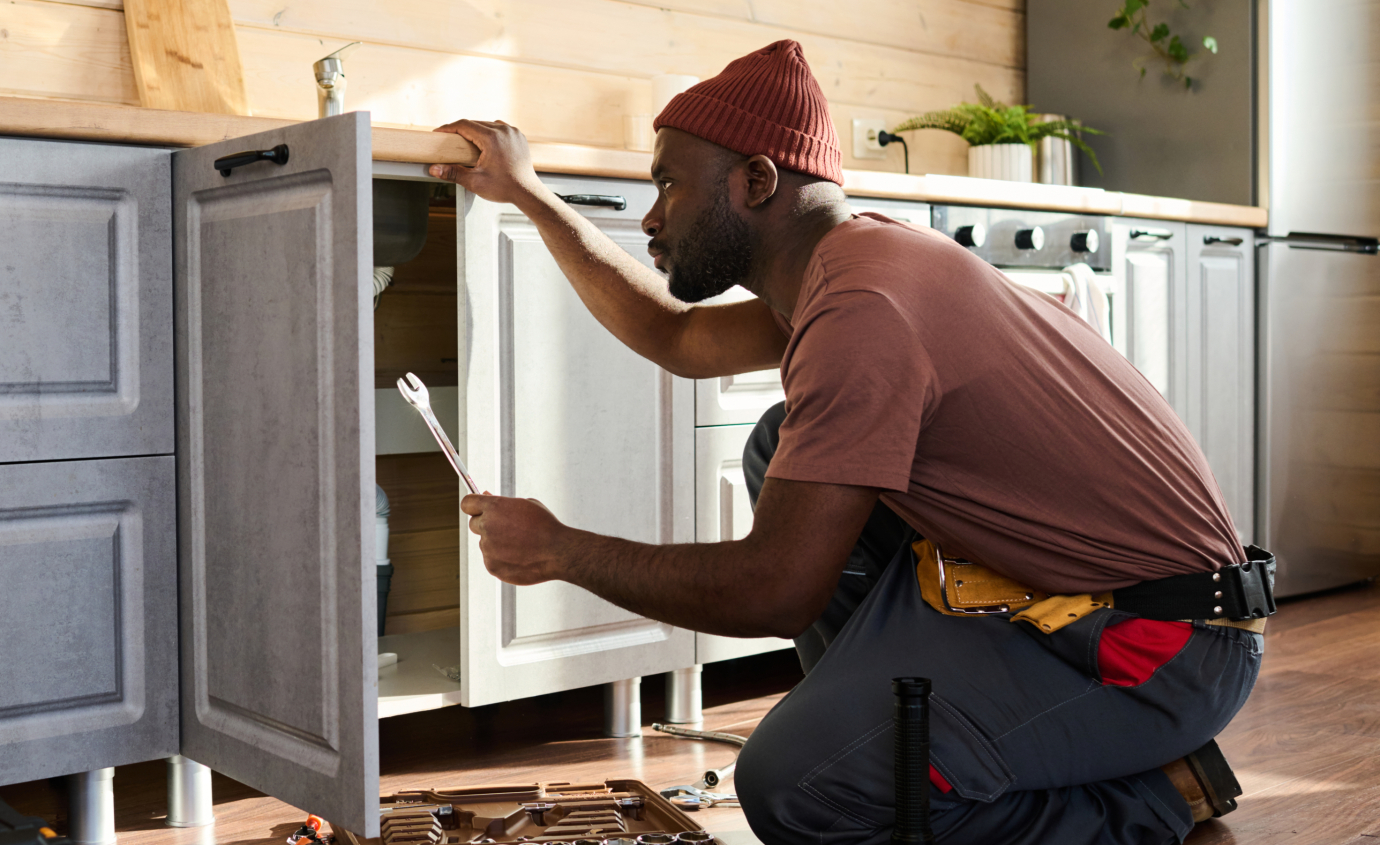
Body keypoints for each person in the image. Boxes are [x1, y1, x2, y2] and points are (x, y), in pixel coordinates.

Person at [427, 40, 1269, 845]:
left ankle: (1147, 794)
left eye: (670, 186)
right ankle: (881, 735)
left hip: (1163, 646)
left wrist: (562, 551)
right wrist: (529, 192)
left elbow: (775, 592)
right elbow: (676, 335)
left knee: (797, 787)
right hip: (1077, 598)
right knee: (779, 442)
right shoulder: (850, 264)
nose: (652, 217)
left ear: (757, 180)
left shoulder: (866, 305)